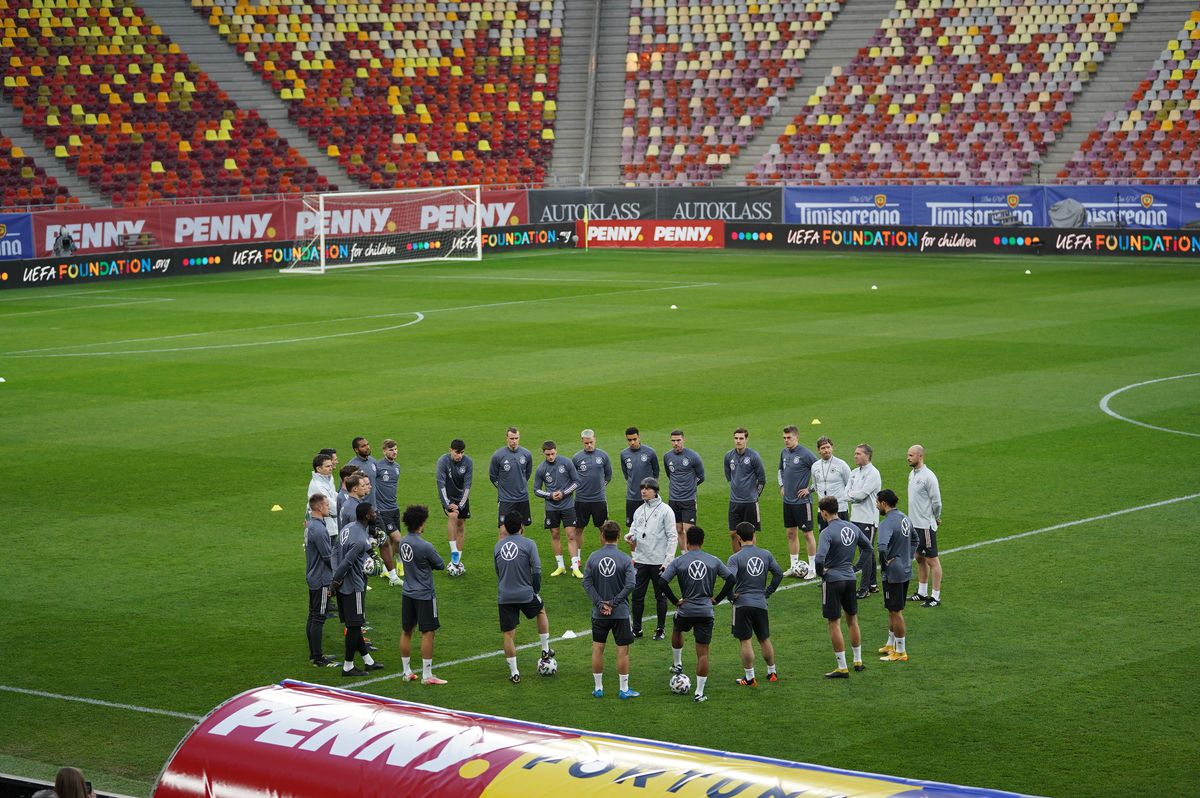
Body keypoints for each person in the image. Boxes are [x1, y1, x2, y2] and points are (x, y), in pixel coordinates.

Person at [660, 526, 734, 702]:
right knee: (703, 654)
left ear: (687, 541)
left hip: (685, 610)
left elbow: (662, 582)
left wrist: (675, 601)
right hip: (705, 612)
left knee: (677, 629)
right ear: (702, 541)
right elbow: (731, 579)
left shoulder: (679, 561)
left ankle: (677, 664)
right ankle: (699, 693)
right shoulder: (713, 561)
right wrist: (717, 599)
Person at [815, 497, 873, 678]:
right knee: (852, 620)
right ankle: (858, 661)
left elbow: (819, 558)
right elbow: (868, 548)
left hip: (833, 580)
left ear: (824, 513)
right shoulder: (852, 527)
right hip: (850, 578)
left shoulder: (826, 532)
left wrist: (821, 573)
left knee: (834, 623)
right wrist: (856, 567)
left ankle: (842, 667)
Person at [494, 511, 554, 683]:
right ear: (521, 526)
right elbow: (537, 570)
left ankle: (515, 673)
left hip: (505, 595)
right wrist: (535, 589)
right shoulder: (529, 544)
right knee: (540, 610)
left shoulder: (498, 546)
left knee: (508, 635)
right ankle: (545, 649)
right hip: (525, 593)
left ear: (505, 528)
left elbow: (498, 571)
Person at [582, 520, 638, 698]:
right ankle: (623, 689)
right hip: (620, 613)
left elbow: (586, 583)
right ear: (619, 536)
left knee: (598, 649)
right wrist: (613, 603)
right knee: (623, 650)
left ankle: (598, 688)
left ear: (602, 536)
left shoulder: (593, 557)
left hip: (599, 614)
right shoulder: (625, 559)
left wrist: (601, 604)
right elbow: (631, 584)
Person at [725, 522, 784, 685]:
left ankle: (750, 677)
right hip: (760, 603)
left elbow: (730, 579)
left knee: (745, 640)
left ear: (738, 538)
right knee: (764, 639)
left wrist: (731, 596)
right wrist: (767, 592)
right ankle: (772, 672)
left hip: (742, 604)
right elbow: (779, 574)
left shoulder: (735, 558)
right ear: (754, 536)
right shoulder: (766, 554)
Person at [331, 503, 384, 676]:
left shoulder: (348, 528)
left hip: (343, 586)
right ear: (367, 516)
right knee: (354, 626)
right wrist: (335, 580)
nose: (375, 514)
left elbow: (335, 551)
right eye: (373, 512)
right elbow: (348, 561)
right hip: (353, 586)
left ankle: (368, 661)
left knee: (353, 624)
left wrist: (372, 553)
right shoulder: (360, 539)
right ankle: (348, 666)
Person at [397, 504, 448, 684]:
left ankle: (406, 672)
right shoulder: (425, 546)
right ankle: (427, 675)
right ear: (421, 523)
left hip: (407, 592)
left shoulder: (402, 541)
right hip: (424, 595)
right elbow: (440, 564)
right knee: (428, 632)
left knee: (407, 631)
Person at [626, 476, 676, 640]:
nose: (643, 491)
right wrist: (630, 536)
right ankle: (637, 629)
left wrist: (668, 560)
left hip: (659, 562)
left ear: (655, 491)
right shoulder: (639, 510)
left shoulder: (666, 511)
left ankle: (660, 629)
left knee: (660, 596)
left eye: (647, 488)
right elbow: (634, 530)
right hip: (641, 560)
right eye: (642, 488)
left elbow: (672, 536)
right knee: (637, 596)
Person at [533, 440, 583, 577]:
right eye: (548, 454)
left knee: (571, 535)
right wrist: (550, 495)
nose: (550, 457)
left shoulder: (566, 463)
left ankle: (575, 567)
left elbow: (577, 481)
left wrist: (563, 493)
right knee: (555, 534)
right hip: (551, 508)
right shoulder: (541, 468)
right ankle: (560, 566)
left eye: (552, 454)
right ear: (543, 453)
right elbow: (536, 490)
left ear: (556, 451)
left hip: (568, 506)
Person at [876, 489, 913, 662]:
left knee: (896, 611)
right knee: (892, 609)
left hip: (893, 573)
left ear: (884, 503)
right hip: (905, 569)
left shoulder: (886, 523)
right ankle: (891, 644)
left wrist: (885, 564)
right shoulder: (905, 518)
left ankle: (900, 651)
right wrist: (907, 557)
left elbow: (882, 547)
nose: (876, 506)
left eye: (877, 503)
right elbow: (915, 540)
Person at [779, 425, 819, 577]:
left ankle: (813, 568)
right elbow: (780, 470)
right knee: (790, 533)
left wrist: (810, 489)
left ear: (796, 437)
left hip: (802, 502)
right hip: (788, 501)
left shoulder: (806, 454)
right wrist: (782, 485)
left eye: (789, 437)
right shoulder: (784, 452)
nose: (786, 440)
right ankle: (794, 566)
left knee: (807, 534)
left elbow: (820, 472)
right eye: (784, 438)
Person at [907, 444, 943, 607]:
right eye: (908, 455)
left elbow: (937, 502)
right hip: (914, 524)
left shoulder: (929, 476)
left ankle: (935, 596)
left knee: (932, 560)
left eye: (911, 455)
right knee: (919, 558)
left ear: (920, 456)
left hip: (925, 525)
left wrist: (936, 517)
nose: (908, 458)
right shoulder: (912, 474)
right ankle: (922, 592)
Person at [304, 494, 337, 667]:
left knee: (313, 615)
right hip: (322, 579)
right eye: (326, 504)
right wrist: (338, 573)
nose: (328, 507)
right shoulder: (319, 529)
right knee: (318, 617)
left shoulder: (311, 525)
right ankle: (318, 657)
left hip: (312, 575)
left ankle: (314, 654)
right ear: (318, 507)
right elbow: (327, 557)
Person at [846, 443, 882, 599]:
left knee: (865, 553)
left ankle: (864, 588)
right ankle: (872, 584)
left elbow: (861, 495)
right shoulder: (854, 472)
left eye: (858, 454)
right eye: (855, 453)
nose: (855, 456)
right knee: (867, 551)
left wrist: (852, 495)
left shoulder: (873, 473)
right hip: (855, 518)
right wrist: (854, 495)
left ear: (867, 455)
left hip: (868, 519)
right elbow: (845, 493)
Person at [662, 428, 705, 550]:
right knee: (678, 529)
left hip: (688, 499)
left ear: (684, 440)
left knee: (689, 530)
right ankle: (684, 554)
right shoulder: (667, 457)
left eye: (678, 440)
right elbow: (670, 475)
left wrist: (690, 487)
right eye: (673, 441)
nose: (676, 443)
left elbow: (701, 477)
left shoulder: (693, 456)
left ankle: (692, 555)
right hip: (673, 499)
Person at [724, 427, 766, 552]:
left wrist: (755, 495)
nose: (738, 441)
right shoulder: (728, 456)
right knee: (733, 533)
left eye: (741, 438)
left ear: (746, 439)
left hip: (750, 502)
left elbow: (762, 479)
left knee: (750, 533)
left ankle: (751, 557)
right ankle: (737, 559)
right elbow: (729, 476)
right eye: (736, 438)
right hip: (734, 502)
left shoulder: (754, 456)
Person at [490, 427, 533, 538]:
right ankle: (501, 550)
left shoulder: (526, 454)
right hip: (506, 499)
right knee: (503, 532)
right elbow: (493, 477)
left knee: (520, 530)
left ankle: (520, 550)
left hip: (522, 498)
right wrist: (502, 488)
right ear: (507, 438)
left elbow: (527, 474)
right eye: (512, 438)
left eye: (516, 438)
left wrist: (520, 485)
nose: (514, 441)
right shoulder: (498, 455)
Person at [436, 439, 473, 566]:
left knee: (461, 525)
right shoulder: (443, 461)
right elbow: (440, 484)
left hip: (462, 498)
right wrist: (447, 504)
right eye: (457, 452)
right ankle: (454, 552)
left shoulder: (468, 462)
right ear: (450, 450)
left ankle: (457, 562)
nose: (459, 456)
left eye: (462, 453)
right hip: (448, 497)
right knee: (453, 516)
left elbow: (467, 485)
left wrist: (461, 505)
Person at [572, 428, 612, 543]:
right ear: (582, 441)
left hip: (599, 499)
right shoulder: (576, 458)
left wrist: (600, 487)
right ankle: (577, 555)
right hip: (581, 500)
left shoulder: (603, 456)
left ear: (595, 439)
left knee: (604, 528)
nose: (589, 445)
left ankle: (606, 551)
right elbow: (572, 478)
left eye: (591, 442)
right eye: (586, 443)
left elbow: (608, 476)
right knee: (578, 529)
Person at [374, 438, 404, 585]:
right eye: (391, 450)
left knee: (393, 541)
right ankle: (389, 567)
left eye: (396, 449)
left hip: (394, 508)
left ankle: (393, 565)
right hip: (383, 510)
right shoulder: (377, 467)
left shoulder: (397, 467)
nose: (394, 452)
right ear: (384, 451)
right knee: (397, 538)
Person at [620, 427, 659, 526]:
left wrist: (651, 490)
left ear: (639, 437)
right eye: (629, 440)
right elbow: (626, 474)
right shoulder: (624, 454)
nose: (632, 442)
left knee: (651, 526)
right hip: (632, 497)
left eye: (634, 439)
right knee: (632, 527)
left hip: (649, 498)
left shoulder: (650, 452)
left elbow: (656, 472)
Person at [812, 436, 851, 528]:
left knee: (841, 536)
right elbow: (816, 486)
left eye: (828, 447)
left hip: (840, 509)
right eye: (823, 448)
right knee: (824, 535)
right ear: (818, 450)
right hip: (823, 511)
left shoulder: (841, 464)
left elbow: (849, 484)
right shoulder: (815, 466)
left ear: (832, 448)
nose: (826, 450)